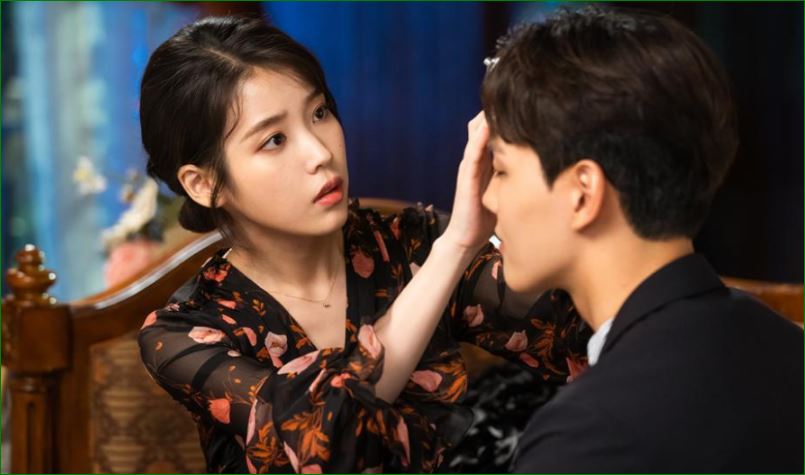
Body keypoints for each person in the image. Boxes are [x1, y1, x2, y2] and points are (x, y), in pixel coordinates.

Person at [137, 16, 588, 473]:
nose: (320, 153)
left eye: (319, 113)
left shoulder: (407, 245)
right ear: (204, 183)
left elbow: (580, 327)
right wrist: (455, 247)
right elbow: (325, 437)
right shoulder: (183, 332)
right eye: (274, 140)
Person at [478, 6, 804, 472]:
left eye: (501, 170)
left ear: (583, 193)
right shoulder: (787, 346)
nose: (488, 198)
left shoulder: (587, 435)